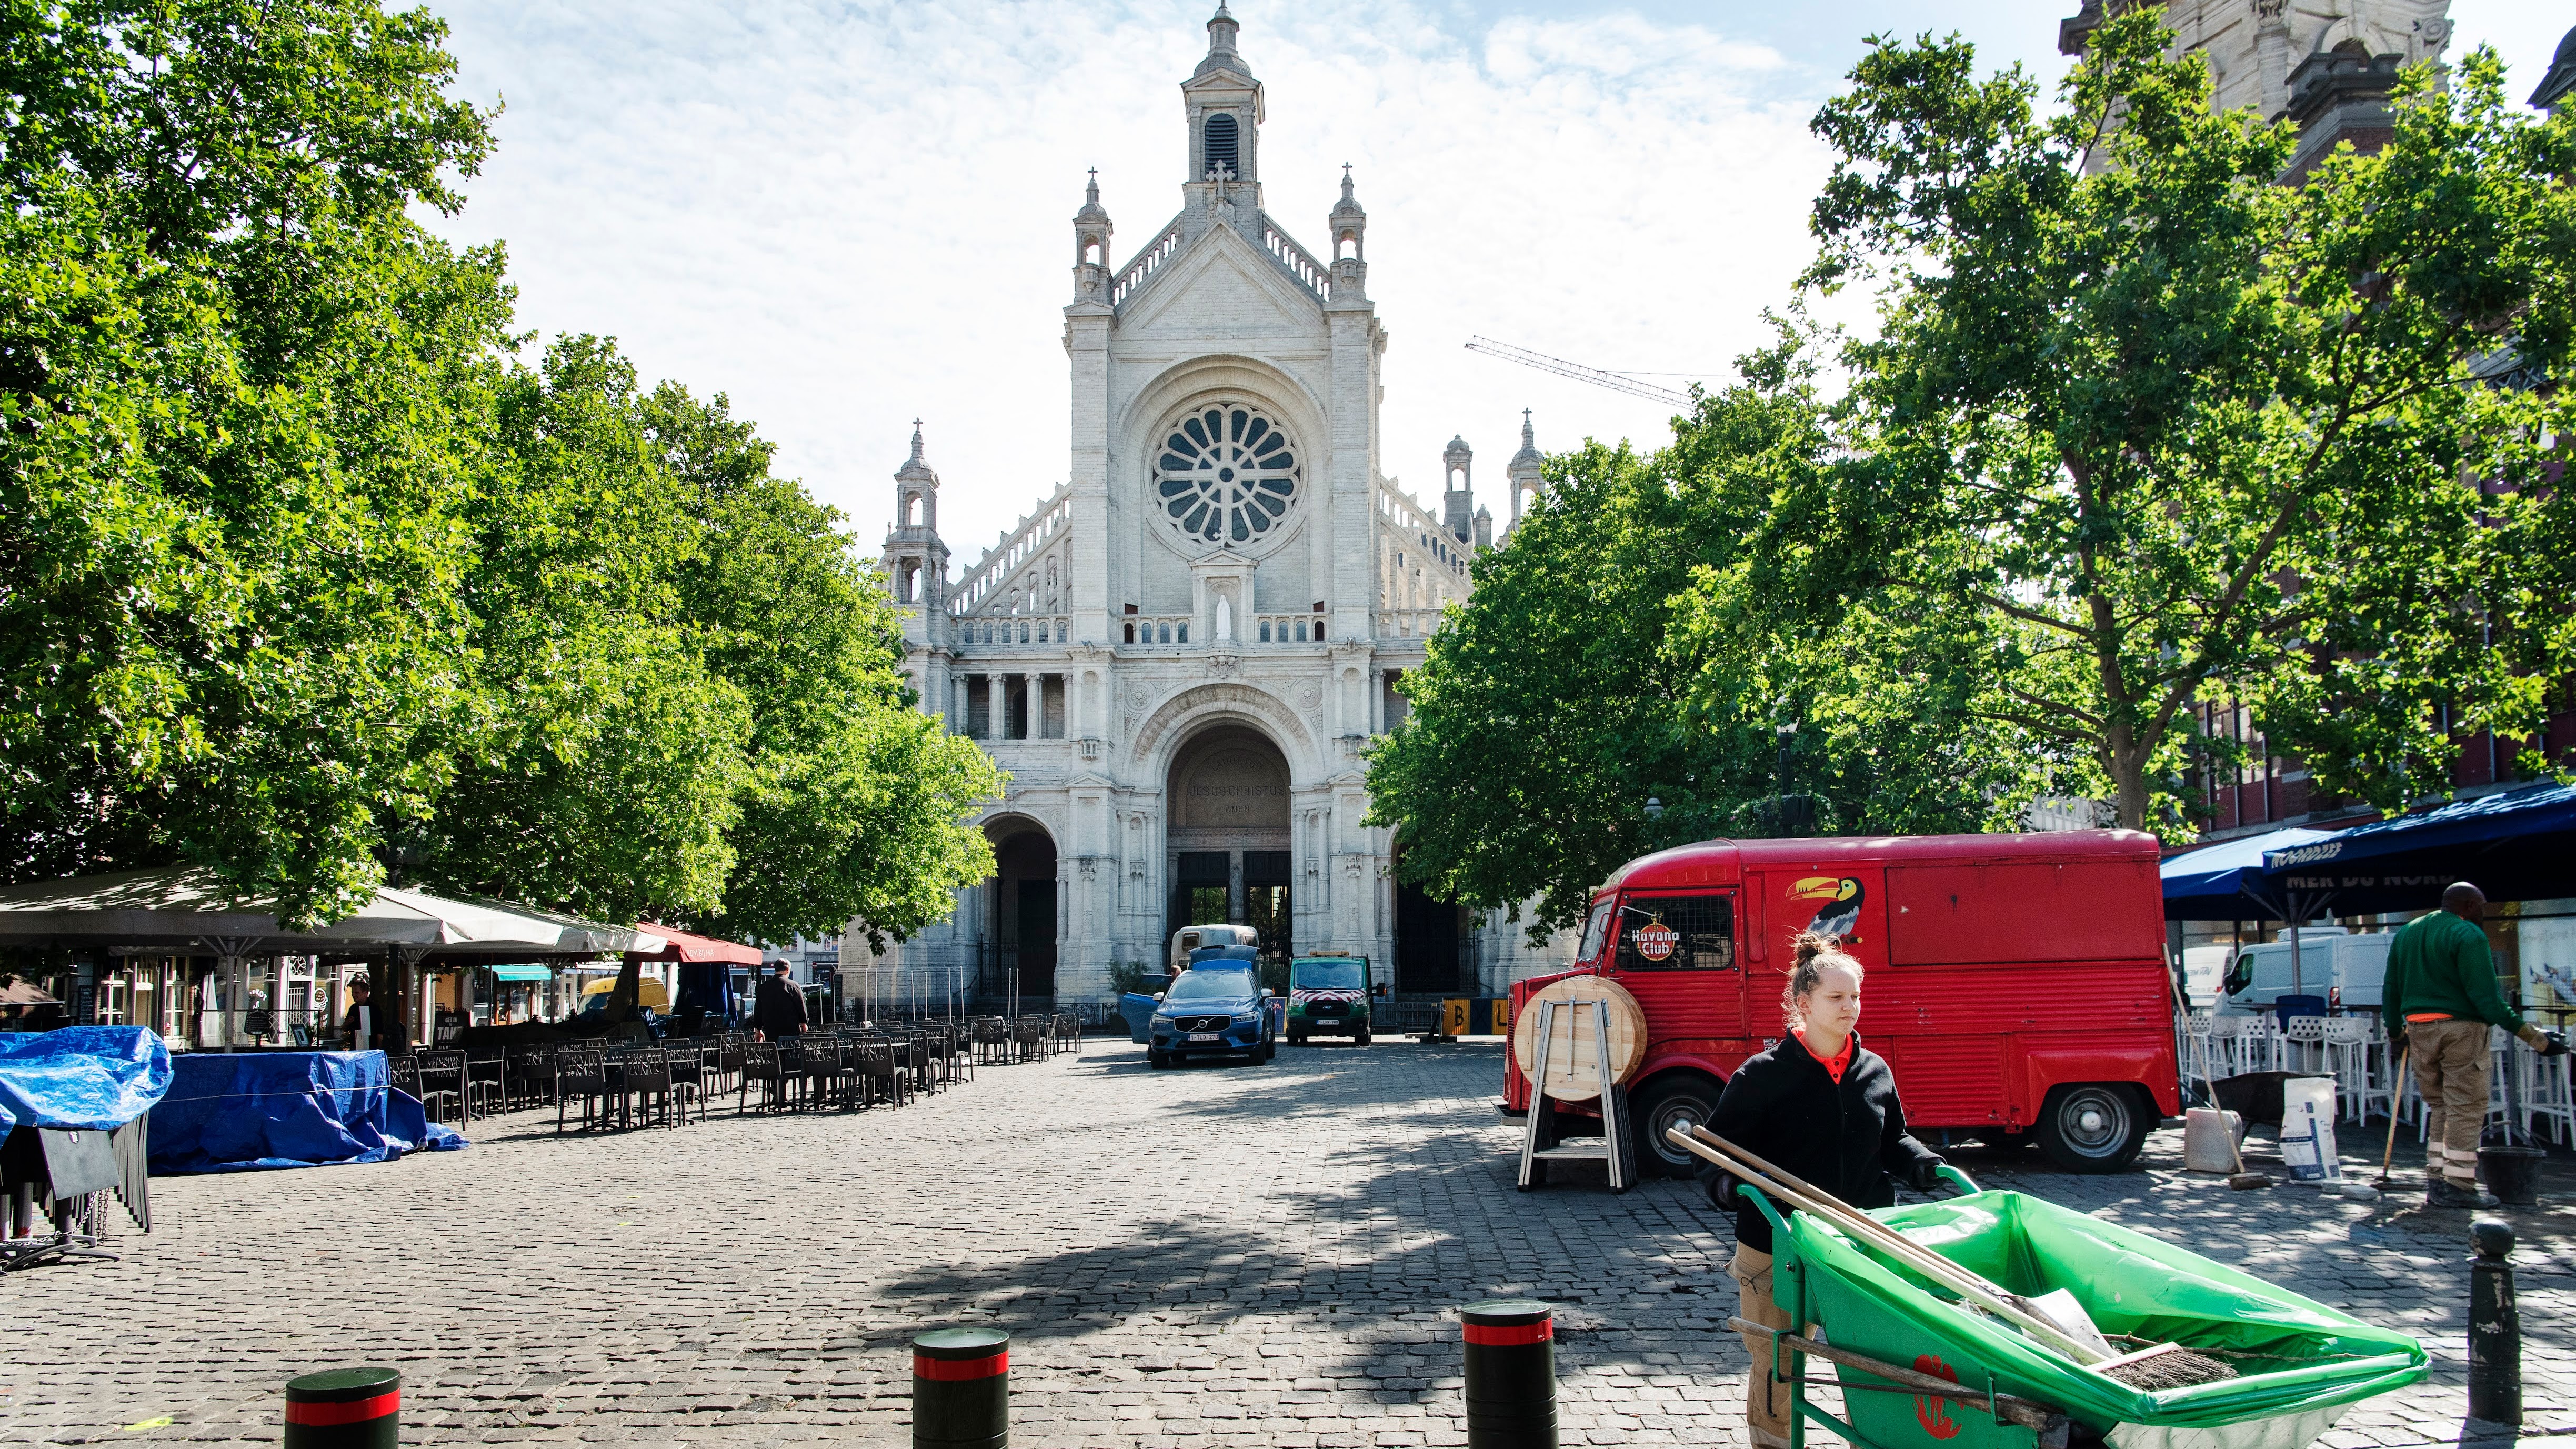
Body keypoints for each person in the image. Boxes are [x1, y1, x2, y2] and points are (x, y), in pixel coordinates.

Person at [1706, 932, 1943, 1449]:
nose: (1850, 1007)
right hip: (1778, 1242)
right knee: (1778, 1358)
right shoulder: (1761, 1076)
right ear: (1802, 1003)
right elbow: (1718, 1153)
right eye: (1836, 997)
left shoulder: (1873, 1070)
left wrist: (1921, 1161)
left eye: (1855, 995)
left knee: (1877, 1355)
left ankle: (1876, 1435)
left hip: (1859, 1238)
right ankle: (1773, 1443)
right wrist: (1729, 1184)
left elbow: (1893, 1139)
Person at [2382, 882, 2568, 1209]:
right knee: (2466, 1108)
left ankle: (2438, 1179)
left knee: (2440, 1106)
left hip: (2419, 1029)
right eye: (2481, 906)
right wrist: (2537, 1040)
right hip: (2461, 1030)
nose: (2484, 913)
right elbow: (2488, 1002)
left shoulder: (2408, 932)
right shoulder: (2468, 935)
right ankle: (2459, 1184)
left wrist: (2396, 1033)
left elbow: (2391, 989)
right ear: (2468, 905)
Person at [752, 961, 808, 1043]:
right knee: (791, 1054)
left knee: (773, 1053)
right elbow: (801, 1006)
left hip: (771, 1031)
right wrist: (803, 1023)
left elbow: (758, 1010)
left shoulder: (764, 987)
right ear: (788, 970)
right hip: (791, 1031)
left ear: (775, 969)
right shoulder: (794, 986)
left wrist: (758, 1030)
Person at [340, 978, 389, 1052]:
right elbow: (345, 1029)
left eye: (357, 993)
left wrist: (378, 1052)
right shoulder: (353, 1008)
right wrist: (347, 1023)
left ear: (365, 993)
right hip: (355, 1049)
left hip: (371, 1049)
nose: (354, 995)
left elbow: (380, 1033)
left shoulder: (374, 1009)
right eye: (352, 992)